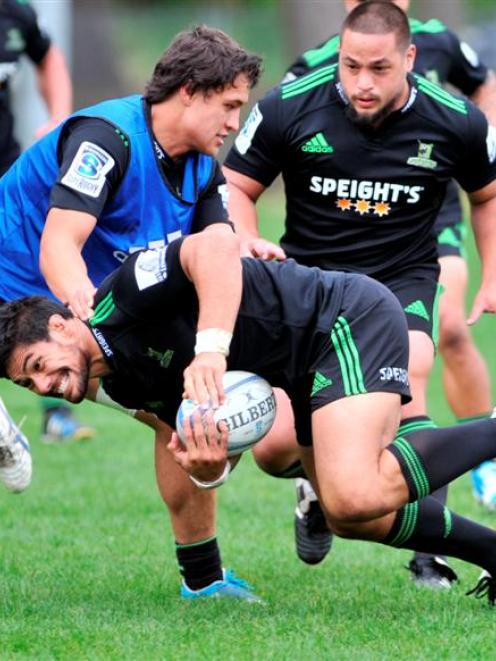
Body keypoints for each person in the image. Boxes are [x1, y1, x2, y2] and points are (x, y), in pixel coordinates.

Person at [2, 230, 496, 607]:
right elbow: (211, 453)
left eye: (39, 365)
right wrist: (207, 466)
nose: (45, 386)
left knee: (353, 492)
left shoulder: (123, 295)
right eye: (29, 385)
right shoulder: (122, 382)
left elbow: (215, 245)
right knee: (351, 517)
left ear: (61, 325)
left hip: (343, 319)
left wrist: (211, 350)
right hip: (298, 369)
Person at [223, 1, 496, 588]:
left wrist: (492, 270)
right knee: (273, 449)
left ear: (410, 58)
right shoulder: (290, 103)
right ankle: (319, 493)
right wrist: (244, 238)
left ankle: (431, 557)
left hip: (400, 281)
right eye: (351, 67)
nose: (362, 83)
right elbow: (235, 186)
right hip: (309, 290)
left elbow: (487, 193)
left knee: (410, 382)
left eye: (378, 68)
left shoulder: (456, 120)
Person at [0, 25, 263, 600]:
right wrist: (88, 320)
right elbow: (58, 247)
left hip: (86, 311)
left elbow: (219, 247)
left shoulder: (201, 169)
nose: (234, 124)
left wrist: (250, 248)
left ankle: (203, 581)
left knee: (183, 418)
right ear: (190, 90)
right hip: (16, 290)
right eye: (229, 106)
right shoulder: (107, 139)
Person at [284, 0, 496, 512]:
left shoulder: (441, 42)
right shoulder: (316, 65)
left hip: (429, 214)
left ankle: (474, 477)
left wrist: (482, 140)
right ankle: (322, 477)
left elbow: (480, 86)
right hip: (343, 235)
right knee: (288, 440)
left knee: (437, 337)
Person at [0, 0, 89, 445]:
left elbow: (48, 56)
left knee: (37, 293)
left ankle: (55, 411)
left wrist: (59, 119)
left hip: (6, 173)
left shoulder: (16, 15)